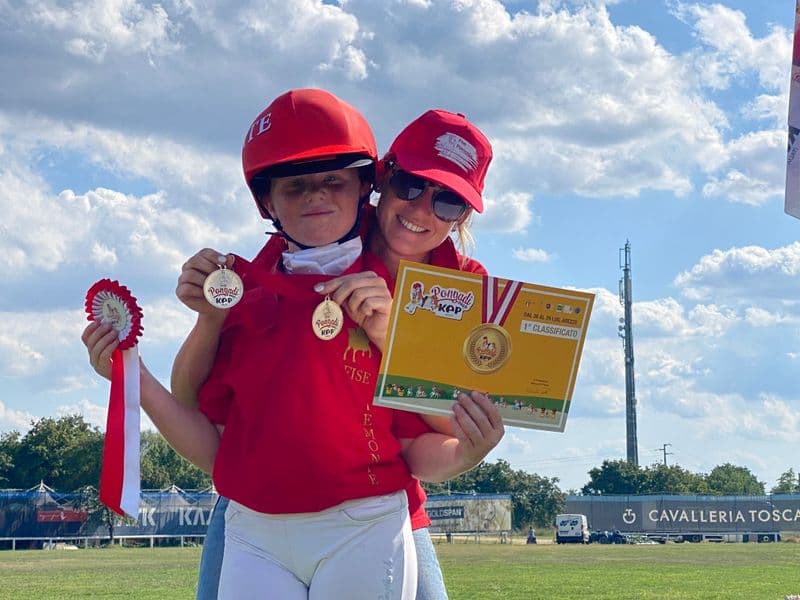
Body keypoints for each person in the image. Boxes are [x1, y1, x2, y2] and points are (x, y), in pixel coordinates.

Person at [83, 89, 502, 600]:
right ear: (383, 179)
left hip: (375, 509)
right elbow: (204, 416)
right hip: (258, 506)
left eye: (448, 199)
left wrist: (396, 347)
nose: (423, 209)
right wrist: (209, 319)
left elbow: (436, 431)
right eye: (411, 184)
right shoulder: (268, 276)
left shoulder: (459, 288)